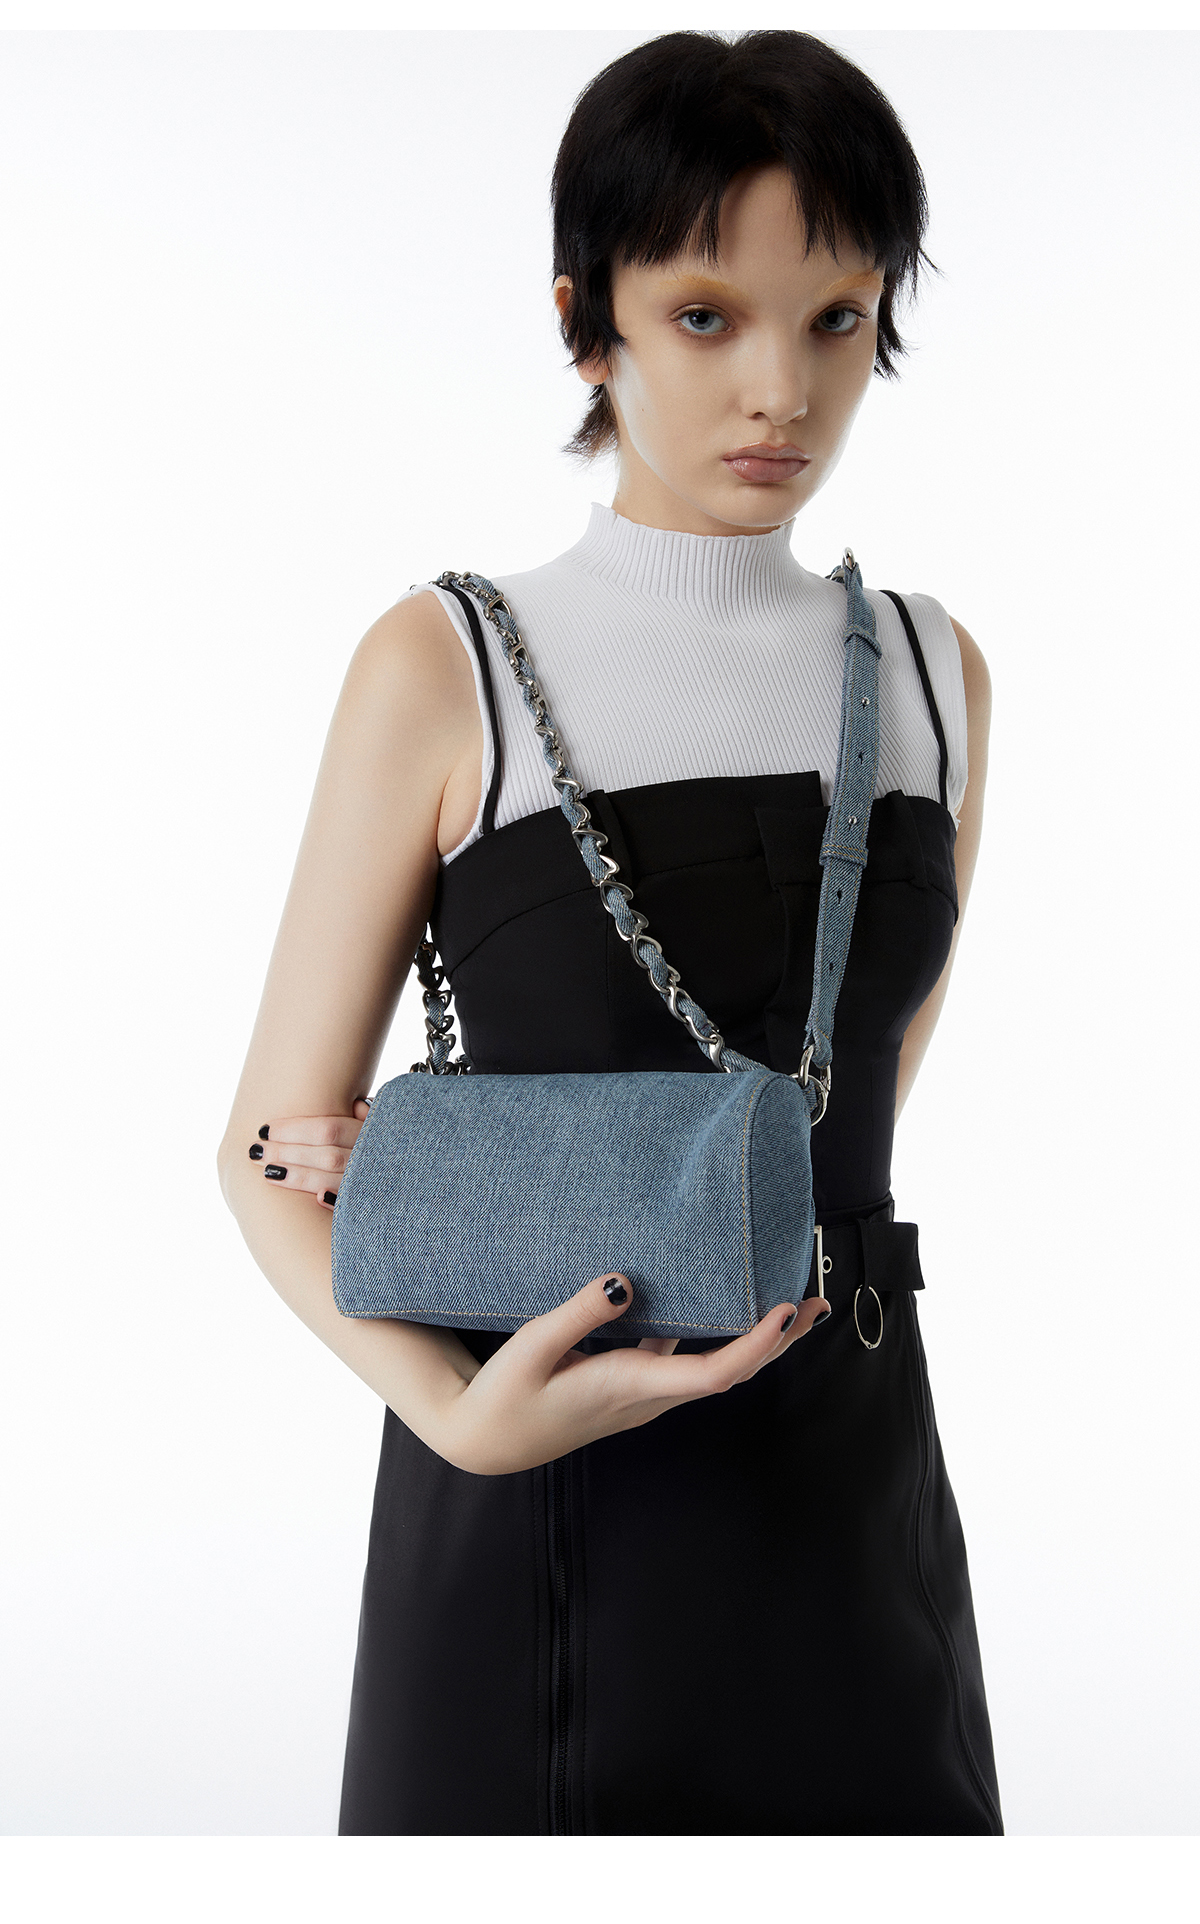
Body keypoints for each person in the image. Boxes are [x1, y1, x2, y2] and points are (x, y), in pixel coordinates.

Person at [218, 28, 1002, 1835]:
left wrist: (510, 1156)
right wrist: (460, 1417)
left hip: (850, 1507)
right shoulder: (449, 664)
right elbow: (261, 1151)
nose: (781, 392)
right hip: (534, 1487)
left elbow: (846, 1110)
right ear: (588, 320)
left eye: (838, 319)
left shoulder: (935, 675)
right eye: (705, 317)